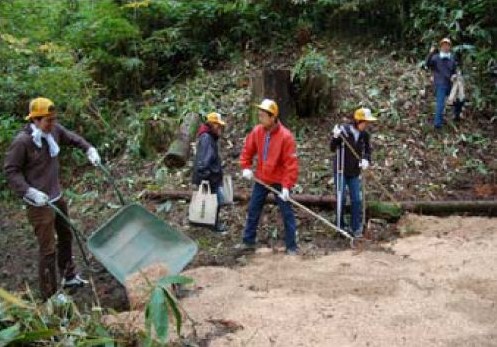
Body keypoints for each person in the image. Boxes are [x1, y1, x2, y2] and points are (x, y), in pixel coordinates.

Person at [4, 97, 101, 300]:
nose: (52, 124)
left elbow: (73, 138)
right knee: (47, 248)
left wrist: (89, 149)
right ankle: (50, 294)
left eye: (53, 119)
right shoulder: (23, 142)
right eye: (47, 120)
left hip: (56, 196)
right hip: (38, 204)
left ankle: (69, 276)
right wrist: (29, 192)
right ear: (36, 120)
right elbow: (11, 171)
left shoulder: (53, 131)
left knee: (65, 236)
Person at [239, 99, 299, 255]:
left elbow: (290, 164)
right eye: (259, 114)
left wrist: (286, 186)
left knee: (287, 212)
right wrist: (245, 167)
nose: (260, 117)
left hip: (279, 180)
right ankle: (248, 241)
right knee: (253, 208)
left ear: (273, 117)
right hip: (262, 178)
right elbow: (248, 150)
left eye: (263, 115)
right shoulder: (257, 131)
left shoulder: (286, 137)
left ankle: (292, 246)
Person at [330, 107, 377, 238]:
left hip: (354, 172)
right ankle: (339, 226)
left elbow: (367, 151)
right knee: (341, 197)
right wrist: (335, 136)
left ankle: (355, 227)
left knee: (356, 199)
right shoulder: (343, 131)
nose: (367, 125)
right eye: (365, 122)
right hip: (341, 170)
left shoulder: (364, 136)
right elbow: (332, 148)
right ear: (358, 121)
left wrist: (366, 160)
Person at [191, 112, 227, 234]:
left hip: (211, 176)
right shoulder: (207, 138)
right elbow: (204, 160)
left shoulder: (208, 137)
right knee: (213, 202)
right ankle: (213, 225)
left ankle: (212, 223)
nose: (220, 128)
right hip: (209, 177)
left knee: (215, 201)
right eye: (218, 125)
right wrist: (206, 176)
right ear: (211, 124)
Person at [425, 37, 463, 129]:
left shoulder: (452, 59)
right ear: (441, 46)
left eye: (447, 45)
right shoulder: (436, 57)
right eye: (444, 45)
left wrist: (455, 75)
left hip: (450, 84)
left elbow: (454, 70)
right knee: (440, 104)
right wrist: (430, 53)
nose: (445, 47)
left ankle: (456, 116)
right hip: (440, 83)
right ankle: (437, 125)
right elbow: (427, 64)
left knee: (460, 100)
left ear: (450, 47)